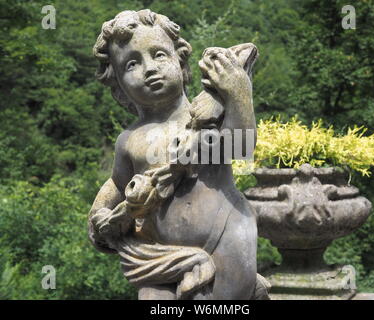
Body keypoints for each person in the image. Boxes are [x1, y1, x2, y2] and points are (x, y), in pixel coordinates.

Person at [88, 9, 264, 299]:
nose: (149, 68)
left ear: (180, 60)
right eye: (132, 63)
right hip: (161, 256)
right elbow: (118, 184)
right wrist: (100, 213)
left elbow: (241, 147)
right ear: (118, 86)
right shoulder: (129, 140)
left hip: (227, 237)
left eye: (159, 55)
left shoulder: (207, 114)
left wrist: (238, 93)